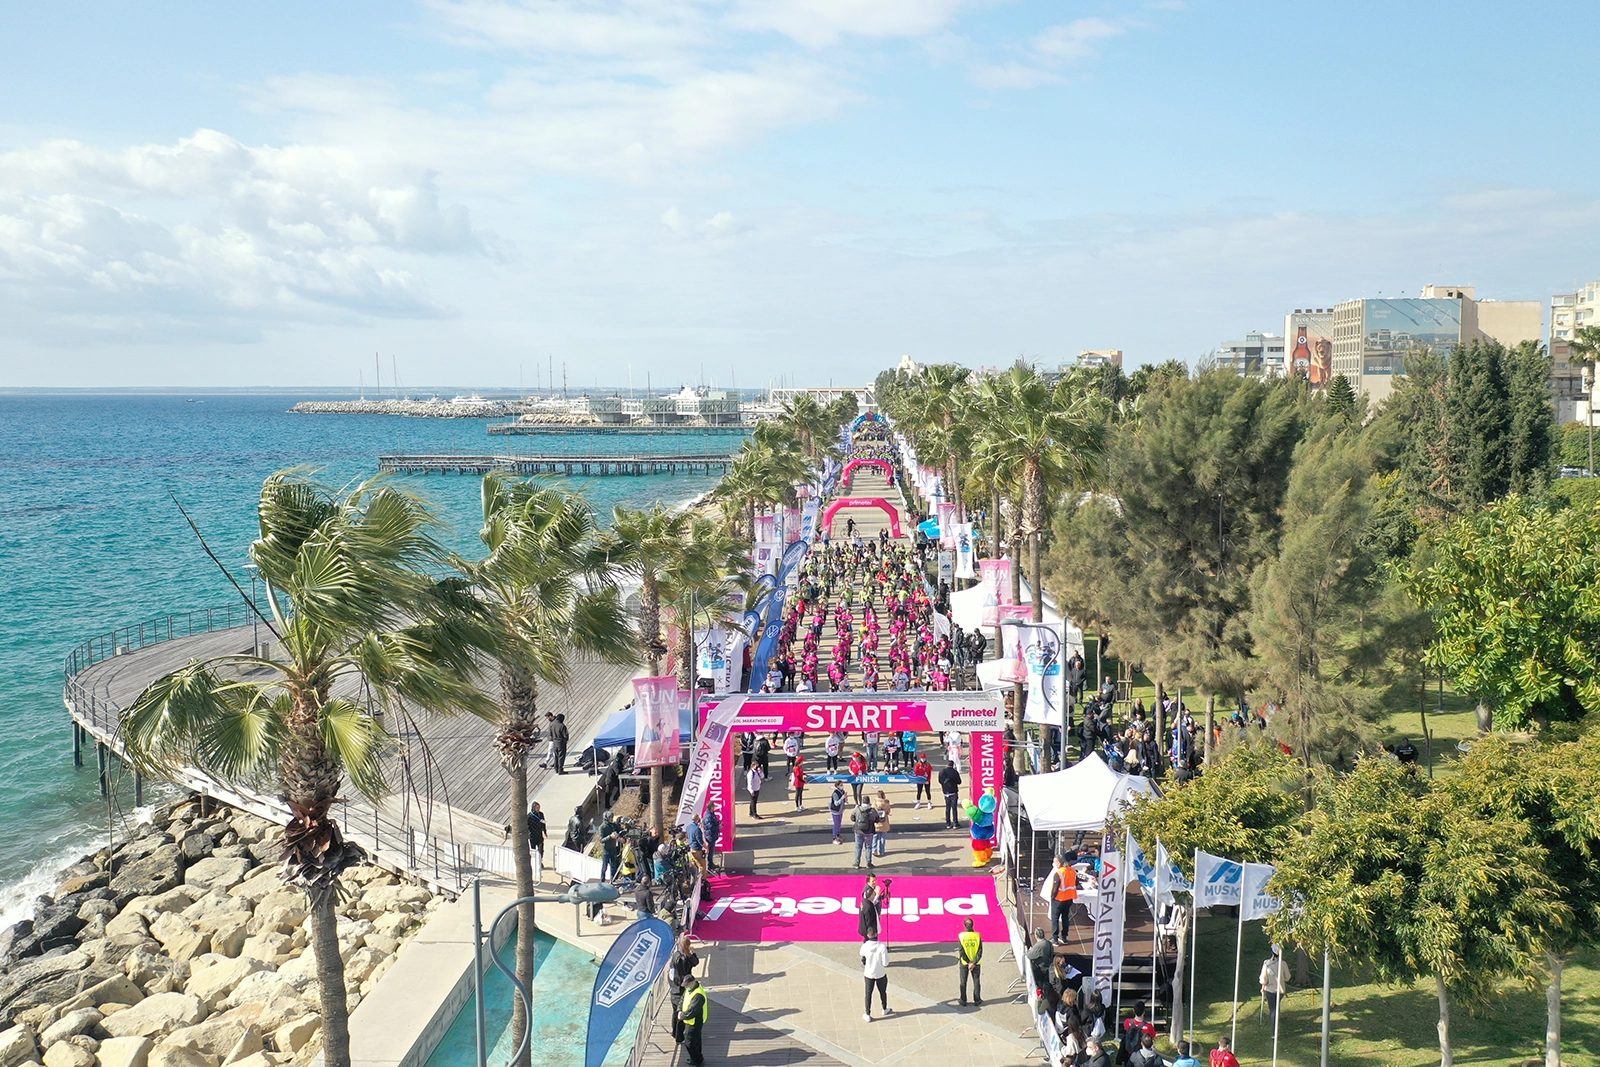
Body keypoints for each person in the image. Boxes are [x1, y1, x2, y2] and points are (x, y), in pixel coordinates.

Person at [667, 934, 699, 1044]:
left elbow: (672, 972)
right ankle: (679, 1036)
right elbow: (696, 962)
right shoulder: (688, 959)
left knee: (675, 1013)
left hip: (675, 988)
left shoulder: (676, 957)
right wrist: (692, 953)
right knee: (681, 1013)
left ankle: (675, 1033)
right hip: (683, 989)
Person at [1047, 853, 1079, 943]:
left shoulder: (1058, 873)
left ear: (1059, 863)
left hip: (1059, 899)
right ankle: (1064, 937)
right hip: (1069, 898)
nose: (1054, 864)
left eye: (1055, 862)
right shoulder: (1072, 870)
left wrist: (1052, 897)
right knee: (1065, 918)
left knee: (1055, 918)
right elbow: (1076, 883)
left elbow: (1055, 888)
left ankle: (1055, 938)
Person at [860, 928, 891, 1022]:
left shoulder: (865, 946)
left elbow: (861, 953)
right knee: (882, 992)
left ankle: (867, 1013)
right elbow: (886, 963)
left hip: (868, 973)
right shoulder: (882, 947)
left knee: (868, 994)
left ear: (868, 935)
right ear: (876, 934)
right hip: (880, 973)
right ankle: (884, 1008)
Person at [677, 974, 708, 1066]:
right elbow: (682, 999)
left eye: (687, 985)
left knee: (690, 1042)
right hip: (690, 1020)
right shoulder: (690, 989)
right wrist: (679, 1010)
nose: (686, 987)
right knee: (695, 1040)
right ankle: (698, 1059)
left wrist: (682, 1015)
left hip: (695, 1021)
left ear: (693, 982)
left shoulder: (698, 995)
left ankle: (697, 1060)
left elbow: (692, 1012)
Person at [1259, 947, 1288, 1029]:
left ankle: (1274, 1030)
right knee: (1276, 1006)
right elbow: (1287, 977)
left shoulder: (1267, 964)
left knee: (1273, 1009)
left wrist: (1263, 985)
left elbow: (1263, 979)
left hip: (1270, 991)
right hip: (1280, 990)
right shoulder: (1283, 964)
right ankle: (1276, 1021)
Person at [956, 917, 982, 1007]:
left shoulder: (961, 936)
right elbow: (980, 951)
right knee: (976, 981)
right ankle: (977, 1000)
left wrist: (968, 962)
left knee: (963, 981)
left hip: (964, 963)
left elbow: (961, 951)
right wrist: (974, 962)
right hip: (976, 963)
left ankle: (963, 1000)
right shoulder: (977, 936)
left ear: (965, 926)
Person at [1026, 928, 1055, 1005]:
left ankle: (1042, 1000)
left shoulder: (1038, 946)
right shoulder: (1048, 943)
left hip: (1040, 969)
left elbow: (1029, 955)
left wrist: (1030, 950)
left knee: (1041, 985)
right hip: (1047, 966)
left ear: (1036, 936)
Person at [853, 799, 879, 869]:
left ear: (862, 802)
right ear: (869, 802)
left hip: (859, 831)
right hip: (869, 831)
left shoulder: (858, 809)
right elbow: (877, 819)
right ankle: (868, 863)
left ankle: (857, 863)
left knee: (858, 847)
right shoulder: (872, 811)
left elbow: (852, 818)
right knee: (868, 847)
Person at [938, 760, 963, 828]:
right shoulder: (955, 772)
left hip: (946, 792)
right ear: (953, 765)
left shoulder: (942, 772)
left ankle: (948, 823)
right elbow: (959, 782)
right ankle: (955, 823)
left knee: (947, 808)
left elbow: (940, 781)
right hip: (953, 792)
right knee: (954, 808)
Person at [526, 802, 546, 882]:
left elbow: (543, 824)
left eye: (539, 807)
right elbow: (527, 826)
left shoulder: (541, 814)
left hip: (539, 835)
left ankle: (540, 861)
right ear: (533, 808)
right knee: (533, 850)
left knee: (541, 849)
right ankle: (535, 863)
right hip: (532, 836)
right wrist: (528, 834)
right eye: (537, 808)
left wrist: (545, 832)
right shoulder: (529, 816)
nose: (538, 809)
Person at [872, 789, 892, 857]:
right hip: (884, 822)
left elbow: (872, 810)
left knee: (875, 837)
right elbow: (889, 811)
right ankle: (882, 851)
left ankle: (874, 850)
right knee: (883, 837)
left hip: (877, 822)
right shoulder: (886, 803)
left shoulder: (875, 803)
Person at [702, 807, 721, 874]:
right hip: (710, 836)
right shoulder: (708, 816)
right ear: (711, 807)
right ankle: (709, 866)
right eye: (714, 806)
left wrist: (718, 824)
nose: (715, 808)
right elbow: (710, 827)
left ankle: (711, 864)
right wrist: (718, 827)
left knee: (712, 851)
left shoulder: (711, 814)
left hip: (713, 835)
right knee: (710, 852)